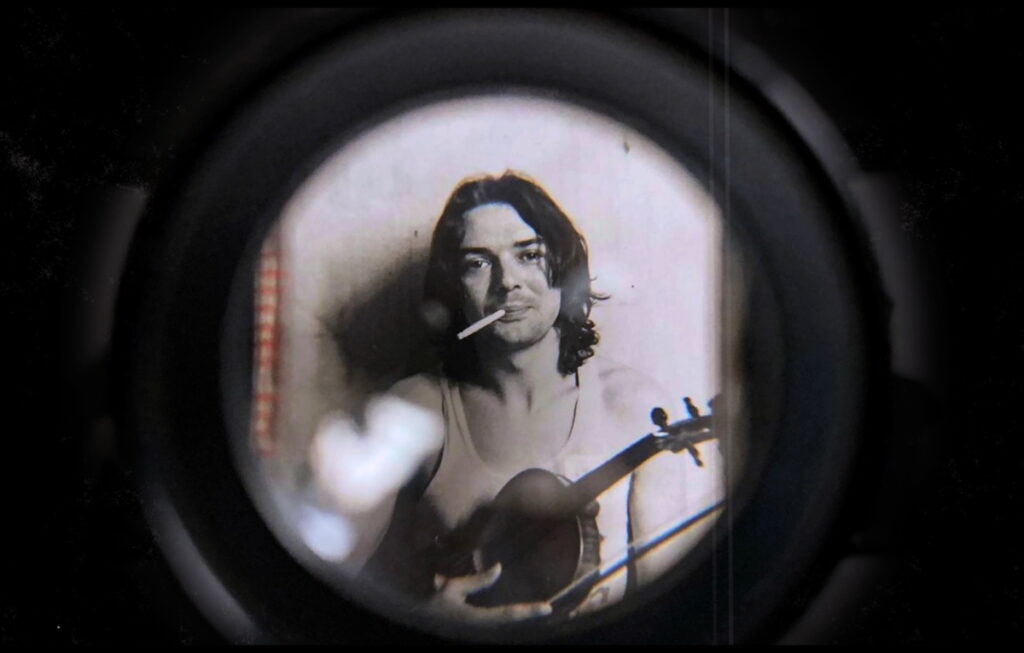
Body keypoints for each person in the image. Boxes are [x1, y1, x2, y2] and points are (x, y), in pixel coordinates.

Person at [312, 172, 722, 622]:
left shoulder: (633, 406)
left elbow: (669, 620)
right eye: (477, 263)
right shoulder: (414, 409)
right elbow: (328, 595)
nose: (507, 282)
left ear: (562, 269)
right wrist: (434, 617)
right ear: (454, 287)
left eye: (529, 255)